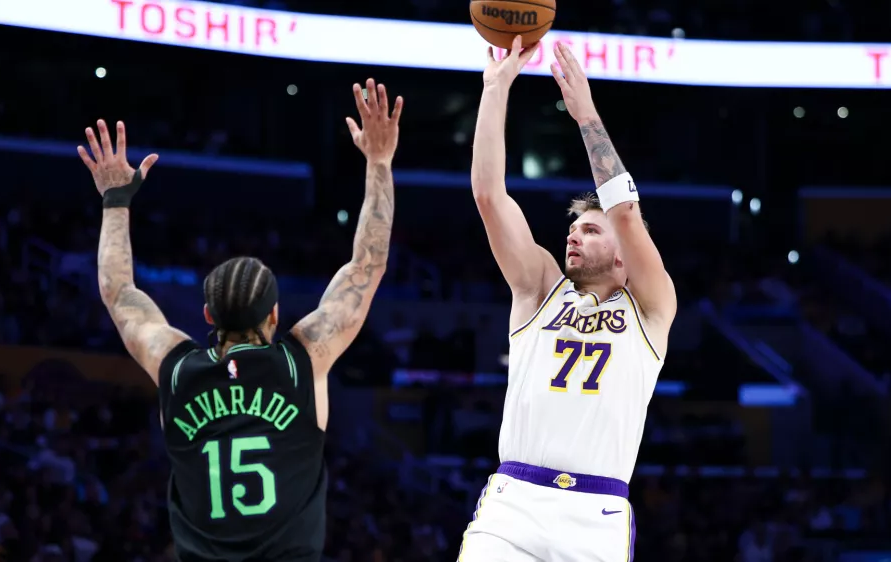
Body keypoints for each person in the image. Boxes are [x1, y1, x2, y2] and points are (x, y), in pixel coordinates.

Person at [77, 78, 403, 561]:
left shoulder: (178, 368)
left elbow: (118, 291)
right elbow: (367, 265)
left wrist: (115, 200)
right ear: (275, 314)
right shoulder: (302, 360)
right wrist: (379, 161)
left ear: (207, 315)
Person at [458, 37, 677, 562]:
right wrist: (496, 89)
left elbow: (625, 213)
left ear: (624, 254)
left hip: (595, 514)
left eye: (591, 230)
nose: (574, 237)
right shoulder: (539, 289)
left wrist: (586, 115)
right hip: (514, 502)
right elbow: (489, 196)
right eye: (573, 229)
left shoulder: (651, 307)